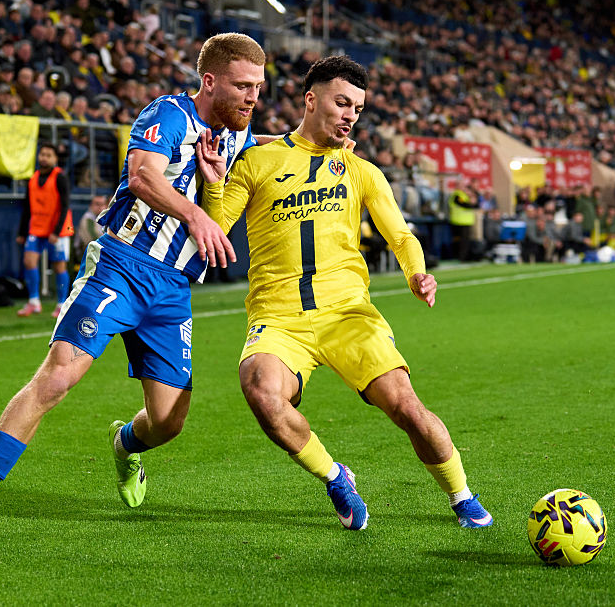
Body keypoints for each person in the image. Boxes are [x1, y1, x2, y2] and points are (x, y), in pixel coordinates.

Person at [0, 33, 268, 533]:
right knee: (57, 376)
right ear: (209, 81)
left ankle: (124, 445)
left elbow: (271, 145)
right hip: (120, 266)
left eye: (258, 88)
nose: (252, 97)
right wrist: (196, 215)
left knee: (168, 422)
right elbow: (143, 177)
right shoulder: (169, 115)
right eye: (243, 86)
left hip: (172, 290)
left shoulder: (236, 134)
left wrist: (322, 142)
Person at [198, 55, 492, 531]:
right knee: (261, 391)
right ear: (311, 100)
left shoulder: (361, 171)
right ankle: (336, 477)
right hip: (279, 317)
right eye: (341, 103)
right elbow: (215, 227)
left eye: (357, 108)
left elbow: (401, 235)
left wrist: (417, 273)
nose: (350, 115)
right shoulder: (258, 161)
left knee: (408, 408)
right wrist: (214, 185)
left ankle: (462, 495)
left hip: (348, 314)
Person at [15, 142, 75, 319]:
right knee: (29, 261)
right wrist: (22, 232)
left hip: (58, 229)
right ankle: (34, 301)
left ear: (55, 159)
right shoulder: (32, 179)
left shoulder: (60, 177)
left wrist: (56, 231)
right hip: (37, 227)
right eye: (42, 154)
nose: (44, 158)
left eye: (49, 155)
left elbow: (65, 206)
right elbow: (27, 207)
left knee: (59, 266)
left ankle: (62, 304)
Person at [449, 182, 479, 261]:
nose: (464, 188)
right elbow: (465, 205)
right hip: (459, 221)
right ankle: (462, 257)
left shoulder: (464, 195)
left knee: (465, 240)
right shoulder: (457, 195)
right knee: (462, 241)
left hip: (465, 221)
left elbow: (475, 204)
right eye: (462, 186)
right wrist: (471, 202)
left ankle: (464, 256)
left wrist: (472, 198)